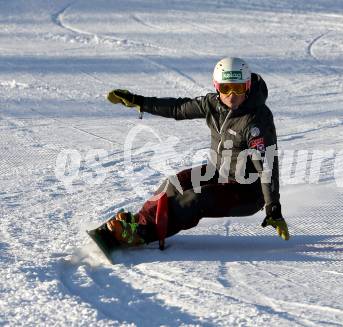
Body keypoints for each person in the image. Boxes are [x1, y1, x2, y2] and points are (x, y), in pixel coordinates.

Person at [104, 57, 289, 250]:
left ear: (248, 86)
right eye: (226, 89)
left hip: (248, 191)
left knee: (195, 199)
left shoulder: (255, 121)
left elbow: (266, 166)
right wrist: (139, 101)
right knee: (173, 183)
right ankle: (139, 221)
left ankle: (141, 234)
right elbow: (178, 108)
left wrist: (272, 207)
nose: (232, 96)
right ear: (217, 87)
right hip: (220, 173)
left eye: (239, 88)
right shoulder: (213, 105)